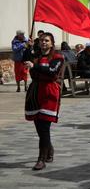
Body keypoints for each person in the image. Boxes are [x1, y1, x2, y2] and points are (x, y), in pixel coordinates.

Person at [24, 32, 64, 170]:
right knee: (39, 128)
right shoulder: (35, 57)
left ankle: (41, 159)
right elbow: (28, 64)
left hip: (50, 93)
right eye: (41, 40)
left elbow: (52, 72)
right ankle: (49, 149)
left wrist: (35, 67)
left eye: (46, 40)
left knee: (44, 126)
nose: (43, 43)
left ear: (52, 43)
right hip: (35, 92)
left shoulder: (58, 57)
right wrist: (27, 47)